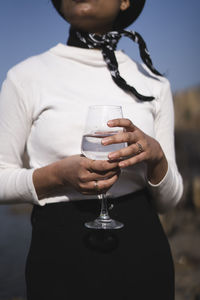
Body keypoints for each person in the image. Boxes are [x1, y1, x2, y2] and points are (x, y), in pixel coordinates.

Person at [0, 0, 183, 299]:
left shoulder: (155, 83)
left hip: (144, 255)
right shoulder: (24, 77)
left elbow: (170, 201)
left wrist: (157, 157)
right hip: (59, 257)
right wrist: (56, 176)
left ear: (125, 1)